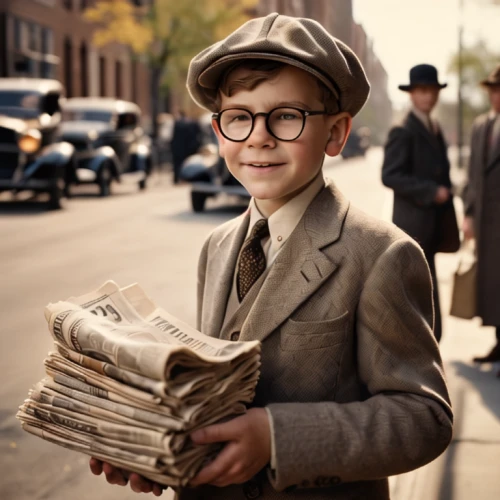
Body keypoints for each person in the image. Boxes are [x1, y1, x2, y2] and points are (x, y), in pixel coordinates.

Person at [90, 14, 453, 499]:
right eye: (239, 116)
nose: (259, 136)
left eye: (286, 115)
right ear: (220, 133)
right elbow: (215, 387)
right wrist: (158, 448)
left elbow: (423, 416)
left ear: (336, 133)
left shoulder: (382, 254)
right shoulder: (218, 245)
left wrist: (278, 439)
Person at [381, 64, 460, 343]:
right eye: (423, 91)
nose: (429, 97)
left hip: (433, 225)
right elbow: (389, 175)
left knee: (426, 289)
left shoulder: (433, 127)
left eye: (433, 91)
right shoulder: (403, 129)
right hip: (412, 224)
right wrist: (430, 191)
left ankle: (428, 345)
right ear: (412, 94)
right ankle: (415, 349)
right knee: (414, 291)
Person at [462, 64, 500, 369]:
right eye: (493, 90)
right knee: (492, 284)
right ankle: (499, 343)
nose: (497, 96)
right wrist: (469, 214)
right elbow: (473, 174)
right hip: (487, 221)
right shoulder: (481, 126)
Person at [171, 110, 202, 184]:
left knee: (177, 163)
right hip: (189, 147)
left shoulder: (177, 124)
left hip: (178, 147)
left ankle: (177, 178)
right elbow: (197, 134)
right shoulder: (192, 123)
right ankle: (187, 177)